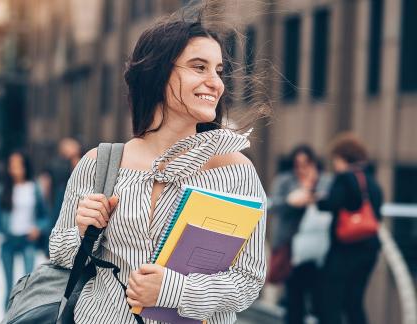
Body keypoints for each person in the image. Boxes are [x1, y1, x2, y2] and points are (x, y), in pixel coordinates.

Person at [48, 13, 268, 324]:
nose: (215, 83)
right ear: (157, 71)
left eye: (218, 71)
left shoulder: (235, 171)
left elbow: (248, 281)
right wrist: (84, 233)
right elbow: (58, 254)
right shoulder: (100, 163)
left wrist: (173, 290)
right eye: (199, 67)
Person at [314, 133, 382, 324]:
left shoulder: (344, 178)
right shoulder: (372, 180)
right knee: (354, 301)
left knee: (329, 301)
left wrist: (318, 198)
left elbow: (330, 204)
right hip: (369, 250)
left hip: (345, 250)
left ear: (341, 157)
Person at [268, 145, 332, 324]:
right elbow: (273, 204)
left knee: (319, 298)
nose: (302, 168)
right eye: (298, 164)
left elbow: (331, 201)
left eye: (306, 163)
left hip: (318, 247)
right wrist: (291, 201)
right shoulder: (285, 180)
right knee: (294, 297)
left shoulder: (324, 180)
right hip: (291, 244)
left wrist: (312, 193)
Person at [0, 151, 50, 308]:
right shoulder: (0, 190)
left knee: (27, 285)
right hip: (8, 240)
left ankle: (24, 316)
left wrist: (38, 228)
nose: (15, 168)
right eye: (12, 165)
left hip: (27, 240)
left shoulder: (35, 188)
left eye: (18, 164)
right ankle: (8, 317)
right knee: (9, 287)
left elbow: (45, 216)